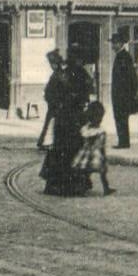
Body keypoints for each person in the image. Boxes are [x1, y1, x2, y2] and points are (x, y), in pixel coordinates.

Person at [40, 47, 92, 195]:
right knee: (73, 150)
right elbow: (87, 92)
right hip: (73, 119)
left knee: (61, 150)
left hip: (64, 118)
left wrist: (58, 106)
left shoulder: (62, 74)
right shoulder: (80, 73)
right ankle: (75, 185)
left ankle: (59, 184)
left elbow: (49, 94)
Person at [71, 100, 115, 196]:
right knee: (102, 173)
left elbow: (83, 139)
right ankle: (106, 188)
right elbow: (101, 145)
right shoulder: (101, 131)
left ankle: (81, 189)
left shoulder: (85, 129)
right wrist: (103, 155)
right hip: (96, 154)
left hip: (84, 153)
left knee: (84, 172)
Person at [109, 33, 138, 150]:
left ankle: (124, 142)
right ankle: (123, 141)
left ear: (120, 43)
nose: (112, 46)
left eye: (114, 43)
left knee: (121, 117)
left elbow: (130, 77)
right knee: (120, 117)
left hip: (122, 95)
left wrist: (129, 94)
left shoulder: (124, 57)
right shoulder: (121, 56)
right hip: (120, 94)